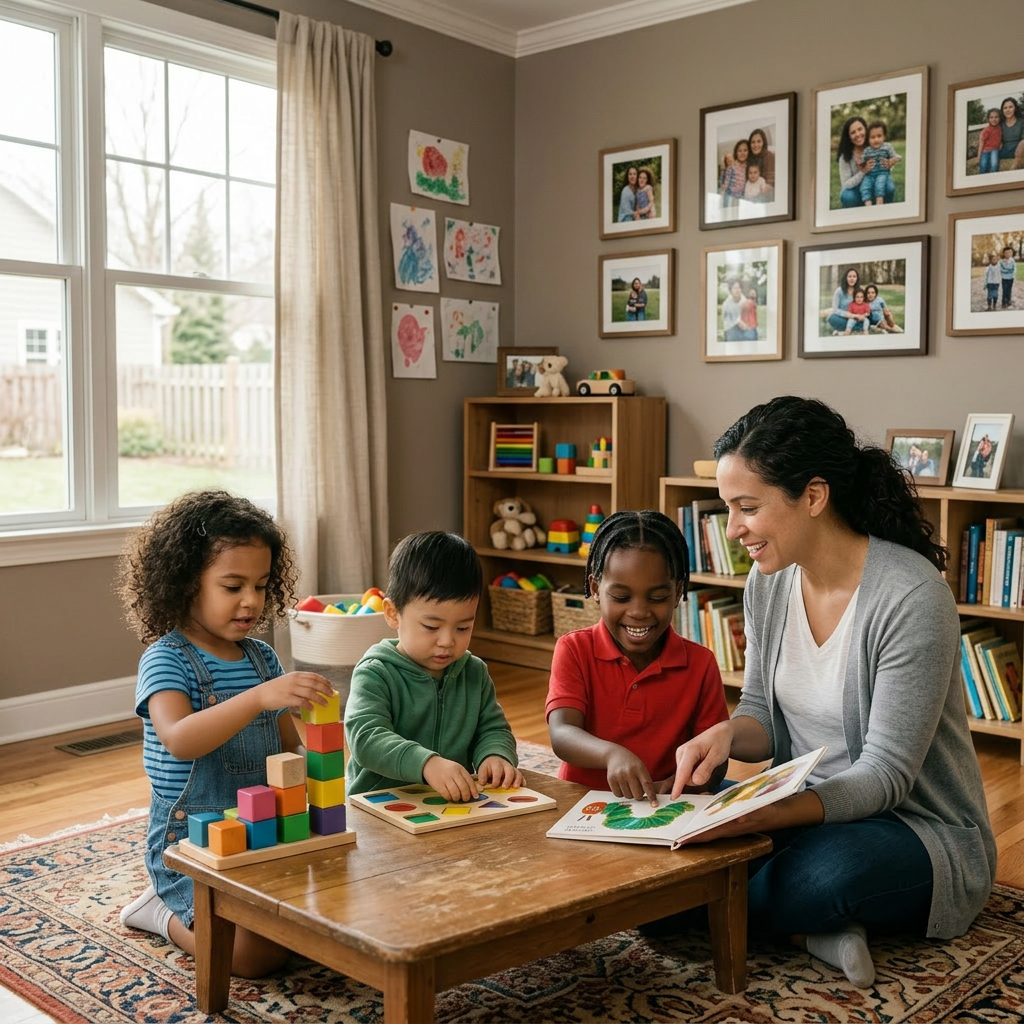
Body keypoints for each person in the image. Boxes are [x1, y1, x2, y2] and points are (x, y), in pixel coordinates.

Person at [668, 397, 996, 989]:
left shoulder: (910, 596)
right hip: (807, 804)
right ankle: (807, 925)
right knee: (669, 819)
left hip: (915, 827)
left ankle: (761, 904)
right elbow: (762, 714)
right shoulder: (767, 583)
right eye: (728, 508)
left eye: (748, 508)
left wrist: (758, 816)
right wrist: (723, 734)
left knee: (824, 876)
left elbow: (885, 777)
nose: (734, 528)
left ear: (813, 497)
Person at [116, 490, 334, 977]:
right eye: (232, 586)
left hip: (266, 833)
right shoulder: (166, 659)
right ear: (186, 583)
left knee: (329, 922)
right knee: (257, 957)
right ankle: (158, 911)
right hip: (190, 846)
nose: (251, 601)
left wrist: (330, 770)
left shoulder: (262, 659)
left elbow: (288, 748)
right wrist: (258, 698)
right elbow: (179, 738)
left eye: (260, 584)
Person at [546, 510, 729, 804]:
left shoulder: (701, 664)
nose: (639, 612)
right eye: (621, 597)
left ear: (678, 592)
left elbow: (716, 755)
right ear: (595, 589)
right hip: (582, 805)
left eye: (657, 598)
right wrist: (611, 754)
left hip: (665, 806)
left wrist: (692, 781)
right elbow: (562, 733)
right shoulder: (574, 649)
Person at [344, 531, 522, 799]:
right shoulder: (375, 672)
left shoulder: (474, 672)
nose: (447, 641)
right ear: (393, 613)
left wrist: (495, 755)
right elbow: (366, 738)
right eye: (431, 626)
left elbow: (492, 728)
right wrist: (426, 764)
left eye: (463, 627)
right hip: (380, 807)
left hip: (452, 805)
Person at [837, 116, 895, 208]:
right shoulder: (845, 157)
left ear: (866, 129)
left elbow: (885, 169)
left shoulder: (875, 145)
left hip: (875, 185)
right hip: (855, 191)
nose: (858, 134)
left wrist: (889, 164)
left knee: (889, 187)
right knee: (848, 196)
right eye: (853, 132)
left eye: (860, 129)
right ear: (849, 137)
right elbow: (846, 184)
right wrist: (863, 171)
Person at [857, 121, 900, 205]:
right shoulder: (867, 150)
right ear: (868, 139)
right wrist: (861, 163)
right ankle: (867, 202)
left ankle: (879, 201)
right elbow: (862, 161)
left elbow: (897, 156)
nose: (876, 139)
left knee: (879, 185)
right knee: (864, 187)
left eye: (879, 136)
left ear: (884, 136)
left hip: (882, 173)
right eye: (872, 137)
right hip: (869, 175)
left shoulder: (887, 146)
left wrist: (893, 160)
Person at [826, 267, 861, 334]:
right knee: (832, 318)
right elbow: (835, 309)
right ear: (846, 278)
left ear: (857, 278)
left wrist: (858, 316)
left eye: (854, 276)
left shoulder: (860, 291)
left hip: (856, 318)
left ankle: (843, 330)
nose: (852, 279)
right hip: (842, 317)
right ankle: (854, 328)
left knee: (865, 320)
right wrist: (849, 315)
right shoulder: (839, 291)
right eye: (849, 276)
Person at [720, 138, 749, 207]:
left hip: (744, 198)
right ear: (736, 152)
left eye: (745, 150)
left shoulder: (750, 166)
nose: (742, 153)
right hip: (731, 197)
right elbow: (726, 185)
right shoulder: (731, 168)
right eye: (740, 151)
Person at [997, 97, 1024, 169]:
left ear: (1015, 108)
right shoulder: (1000, 125)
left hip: (1019, 151)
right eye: (1005, 108)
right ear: (1002, 110)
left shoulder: (1022, 122)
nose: (1008, 110)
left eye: (1010, 107)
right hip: (1003, 152)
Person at [977, 108, 1003, 174]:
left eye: (996, 117)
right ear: (988, 119)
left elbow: (1000, 137)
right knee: (983, 164)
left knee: (994, 164)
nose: (994, 119)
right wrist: (979, 156)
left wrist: (1001, 143)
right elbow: (981, 143)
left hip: (995, 150)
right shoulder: (986, 130)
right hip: (985, 151)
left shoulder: (1000, 128)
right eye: (991, 117)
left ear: (1000, 118)